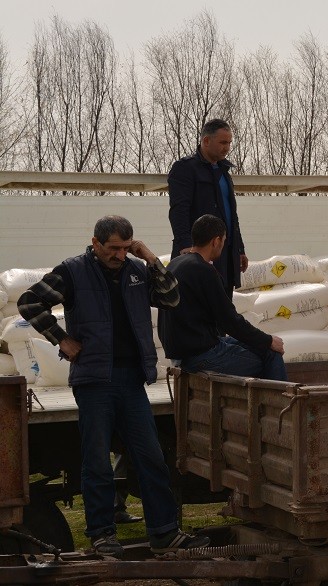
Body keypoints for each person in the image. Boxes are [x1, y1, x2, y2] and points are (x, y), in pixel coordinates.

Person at [17, 215, 209, 557]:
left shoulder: (137, 270)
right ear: (95, 243)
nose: (119, 255)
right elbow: (30, 302)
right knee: (97, 463)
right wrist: (61, 339)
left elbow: (171, 298)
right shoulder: (73, 272)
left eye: (125, 248)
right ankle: (103, 536)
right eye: (113, 249)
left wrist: (150, 258)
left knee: (151, 459)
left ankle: (164, 533)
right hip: (94, 382)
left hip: (132, 381)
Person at [159, 215, 287, 381]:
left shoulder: (175, 263)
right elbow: (230, 320)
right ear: (216, 241)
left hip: (183, 352)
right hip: (200, 355)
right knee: (271, 356)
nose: (223, 246)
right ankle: (280, 404)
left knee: (262, 347)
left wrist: (263, 341)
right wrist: (268, 340)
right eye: (224, 241)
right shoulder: (204, 271)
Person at [168, 118, 247, 295]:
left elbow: (231, 216)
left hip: (224, 253)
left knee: (223, 307)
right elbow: (179, 210)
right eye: (222, 142)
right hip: (199, 252)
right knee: (198, 308)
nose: (227, 147)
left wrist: (239, 249)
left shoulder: (224, 172)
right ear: (206, 141)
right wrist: (186, 246)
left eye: (229, 143)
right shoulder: (185, 168)